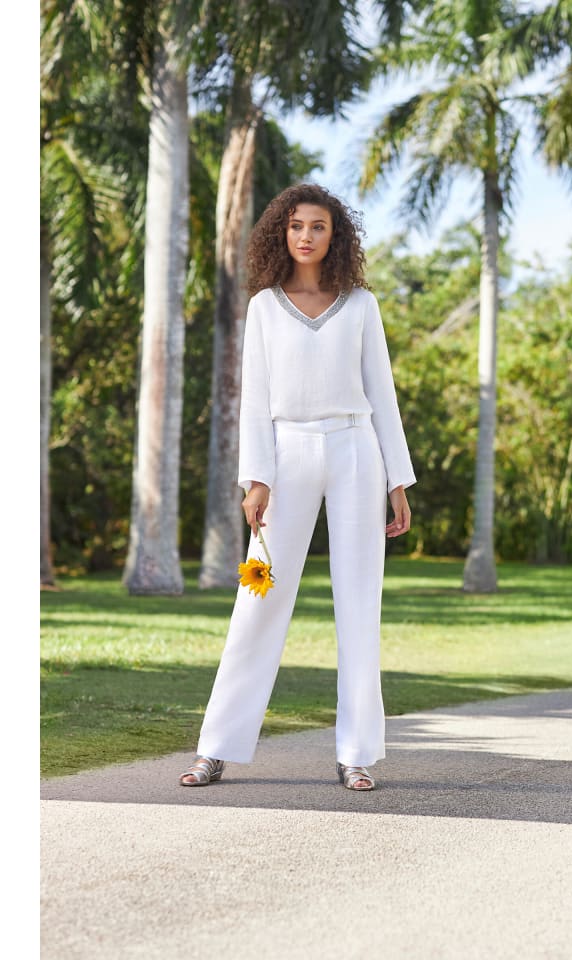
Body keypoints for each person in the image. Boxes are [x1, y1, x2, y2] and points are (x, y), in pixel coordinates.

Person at [179, 183, 416, 792]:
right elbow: (254, 399)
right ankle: (215, 748)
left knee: (360, 602)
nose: (305, 236)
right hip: (285, 457)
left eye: (318, 226)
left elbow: (382, 393)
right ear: (280, 233)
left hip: (356, 452)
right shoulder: (264, 306)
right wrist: (256, 478)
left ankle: (356, 754)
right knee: (258, 597)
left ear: (336, 237)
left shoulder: (360, 305)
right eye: (295, 226)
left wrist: (398, 480)